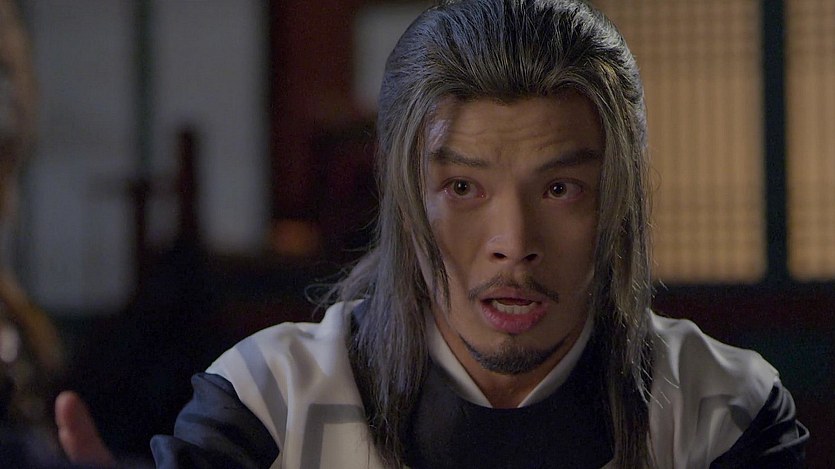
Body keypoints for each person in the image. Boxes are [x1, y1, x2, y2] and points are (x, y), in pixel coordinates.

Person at [66, 0, 809, 467]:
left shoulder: (720, 409)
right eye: (462, 188)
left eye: (559, 188)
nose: (512, 241)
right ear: (404, 200)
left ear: (617, 201)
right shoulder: (270, 401)